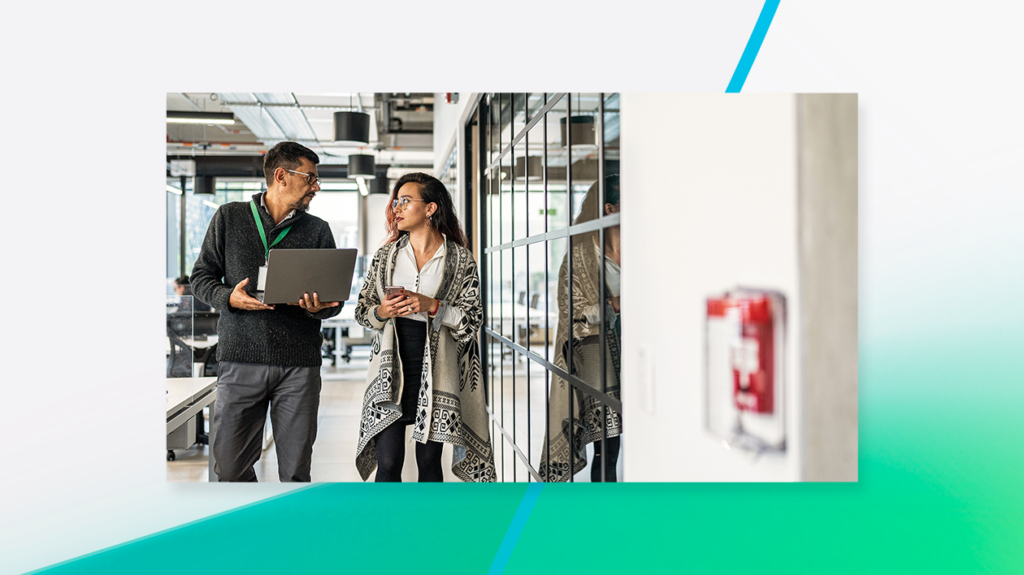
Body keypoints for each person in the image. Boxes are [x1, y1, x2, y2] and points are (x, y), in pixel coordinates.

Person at [190, 141, 342, 482]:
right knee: (229, 468)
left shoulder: (317, 230)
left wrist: (318, 308)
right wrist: (229, 297)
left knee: (295, 472)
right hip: (241, 360)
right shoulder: (229, 217)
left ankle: (286, 533)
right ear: (281, 176)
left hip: (299, 364)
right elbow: (201, 277)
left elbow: (335, 302)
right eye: (311, 178)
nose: (316, 186)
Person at [353, 173, 495, 482]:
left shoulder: (459, 259)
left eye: (406, 201)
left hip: (438, 367)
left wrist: (431, 306)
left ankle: (429, 527)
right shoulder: (385, 257)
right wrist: (382, 310)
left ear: (430, 208)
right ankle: (387, 528)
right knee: (388, 462)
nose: (397, 208)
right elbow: (362, 312)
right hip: (392, 366)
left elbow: (472, 320)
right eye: (396, 202)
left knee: (429, 462)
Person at [539, 175, 622, 482]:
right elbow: (572, 317)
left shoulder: (645, 250)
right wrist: (615, 305)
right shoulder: (579, 257)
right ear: (610, 209)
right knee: (607, 450)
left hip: (642, 357)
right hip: (598, 366)